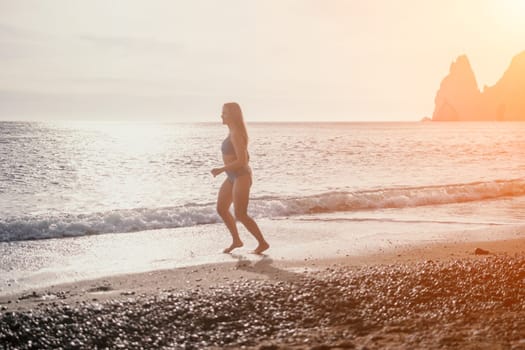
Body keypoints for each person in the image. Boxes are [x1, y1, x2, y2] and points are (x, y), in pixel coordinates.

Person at [211, 102, 270, 254]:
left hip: (241, 176)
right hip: (232, 177)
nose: (221, 115)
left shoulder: (236, 133)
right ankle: (236, 240)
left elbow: (242, 160)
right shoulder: (232, 132)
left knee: (240, 214)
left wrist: (221, 169)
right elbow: (244, 156)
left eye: (224, 113)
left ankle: (262, 243)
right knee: (221, 208)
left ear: (232, 115)